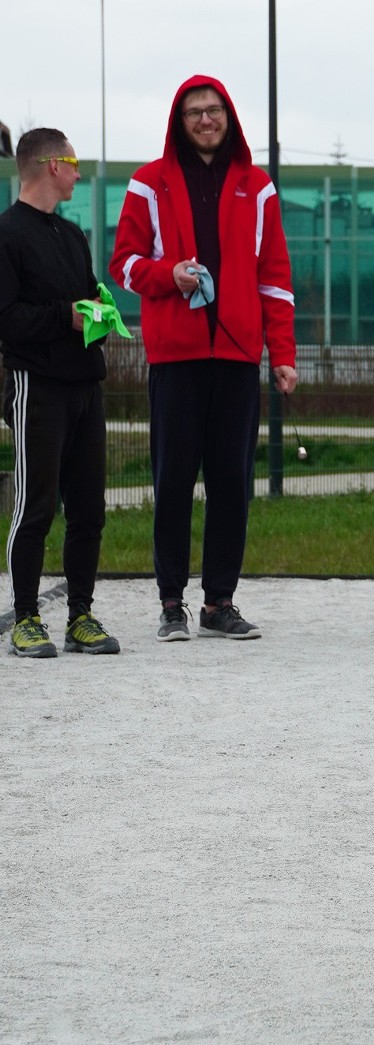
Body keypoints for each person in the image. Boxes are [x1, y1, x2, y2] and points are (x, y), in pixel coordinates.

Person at [110, 76, 298, 643]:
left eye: (213, 110)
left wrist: (282, 354)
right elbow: (123, 265)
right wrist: (169, 274)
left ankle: (220, 602)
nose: (205, 120)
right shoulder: (149, 183)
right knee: (172, 484)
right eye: (194, 112)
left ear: (229, 117)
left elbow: (276, 280)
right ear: (178, 121)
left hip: (239, 358)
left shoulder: (258, 186)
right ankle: (172, 603)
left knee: (231, 484)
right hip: (176, 359)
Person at [0, 129, 120, 658]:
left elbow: (86, 293)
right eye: (73, 161)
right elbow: (7, 319)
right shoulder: (6, 234)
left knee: (89, 508)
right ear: (51, 166)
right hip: (37, 387)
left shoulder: (73, 237)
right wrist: (64, 317)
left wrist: (100, 309)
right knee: (35, 506)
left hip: (84, 386)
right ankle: (26, 616)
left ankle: (80, 615)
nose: (78, 171)